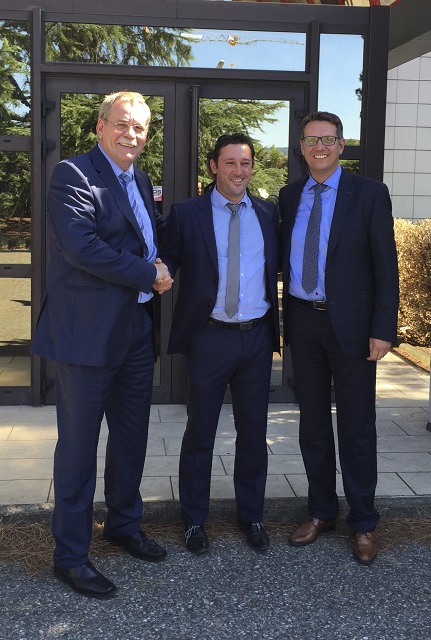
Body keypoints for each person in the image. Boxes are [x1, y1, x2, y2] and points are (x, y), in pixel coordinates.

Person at [31, 91, 173, 598]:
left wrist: (162, 265)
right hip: (86, 336)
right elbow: (81, 247)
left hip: (134, 331)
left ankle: (123, 524)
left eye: (140, 128)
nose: (131, 134)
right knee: (78, 448)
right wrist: (148, 274)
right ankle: (70, 556)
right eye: (122, 124)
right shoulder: (73, 175)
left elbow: (147, 242)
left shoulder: (140, 178)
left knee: (131, 437)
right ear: (100, 126)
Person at [279, 111, 399, 566]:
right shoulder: (289, 196)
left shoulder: (369, 194)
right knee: (311, 423)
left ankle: (364, 521)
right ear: (302, 147)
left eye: (327, 139)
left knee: (356, 426)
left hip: (351, 328)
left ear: (342, 145)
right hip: (305, 324)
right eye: (311, 140)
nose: (319, 147)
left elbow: (387, 268)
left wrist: (382, 329)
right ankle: (320, 511)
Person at [160, 133, 280, 555]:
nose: (238, 171)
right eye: (230, 163)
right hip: (210, 338)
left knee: (253, 434)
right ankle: (194, 520)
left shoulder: (267, 213)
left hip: (257, 338)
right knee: (201, 433)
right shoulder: (187, 213)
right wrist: (155, 275)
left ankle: (252, 516)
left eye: (245, 163)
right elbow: (166, 257)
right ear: (214, 166)